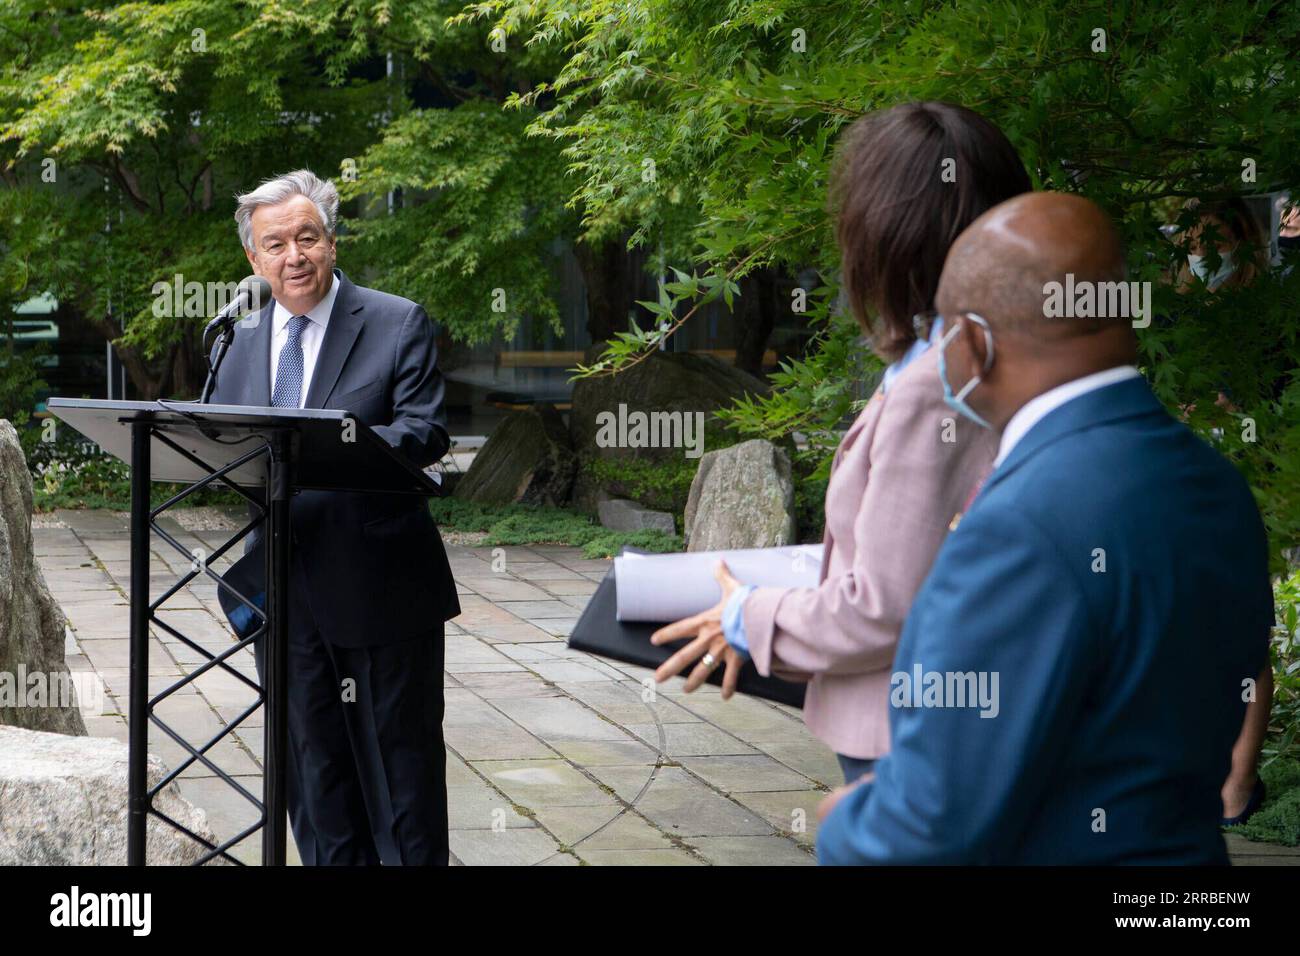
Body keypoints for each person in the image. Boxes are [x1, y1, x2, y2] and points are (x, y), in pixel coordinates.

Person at [816, 192, 1274, 864]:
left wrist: (842, 822)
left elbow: (932, 829)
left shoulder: (1020, 524)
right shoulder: (1215, 483)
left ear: (973, 341)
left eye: (940, 334)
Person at [650, 102, 1029, 785]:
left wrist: (745, 613)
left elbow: (883, 606)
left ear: (884, 230)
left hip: (911, 741)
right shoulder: (987, 354)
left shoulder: (935, 382)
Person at [208, 169, 459, 865]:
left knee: (399, 777)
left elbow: (425, 433)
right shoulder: (238, 341)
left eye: (308, 238)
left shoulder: (395, 320)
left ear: (332, 242)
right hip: (282, 596)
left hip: (380, 587)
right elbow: (222, 449)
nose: (295, 256)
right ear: (253, 260)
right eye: (276, 244)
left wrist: (332, 445)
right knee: (313, 775)